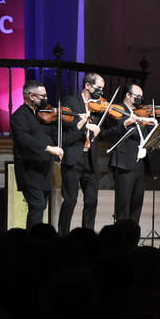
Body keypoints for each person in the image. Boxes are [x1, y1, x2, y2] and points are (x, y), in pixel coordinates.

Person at [10, 79, 66, 229]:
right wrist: (49, 148)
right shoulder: (19, 116)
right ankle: (32, 242)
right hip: (29, 169)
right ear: (31, 96)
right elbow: (24, 139)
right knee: (37, 205)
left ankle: (37, 239)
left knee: (41, 206)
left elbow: (50, 135)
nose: (45, 99)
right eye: (42, 96)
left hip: (43, 169)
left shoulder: (42, 115)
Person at [57, 72, 105, 235]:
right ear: (87, 86)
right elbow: (69, 128)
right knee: (70, 200)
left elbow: (105, 130)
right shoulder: (70, 101)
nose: (101, 92)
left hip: (90, 158)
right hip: (73, 158)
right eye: (99, 88)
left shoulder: (98, 106)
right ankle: (63, 235)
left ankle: (88, 236)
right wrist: (85, 125)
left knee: (91, 200)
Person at [103, 82, 157, 224]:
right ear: (128, 95)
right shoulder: (117, 112)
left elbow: (144, 138)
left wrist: (153, 126)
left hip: (140, 164)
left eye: (141, 97)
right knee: (123, 206)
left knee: (136, 205)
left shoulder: (140, 114)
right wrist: (125, 124)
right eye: (137, 96)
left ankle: (133, 236)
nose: (140, 99)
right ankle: (121, 238)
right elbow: (106, 134)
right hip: (124, 163)